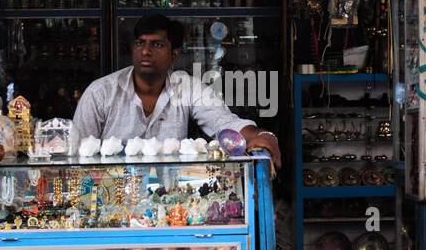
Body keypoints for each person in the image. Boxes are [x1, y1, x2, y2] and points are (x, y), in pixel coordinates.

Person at [71, 14, 282, 166]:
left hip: (169, 199)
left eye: (157, 45)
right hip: (109, 195)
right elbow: (76, 152)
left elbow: (224, 123)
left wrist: (262, 135)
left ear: (174, 55)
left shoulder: (188, 87)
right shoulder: (101, 93)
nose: (145, 51)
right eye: (140, 43)